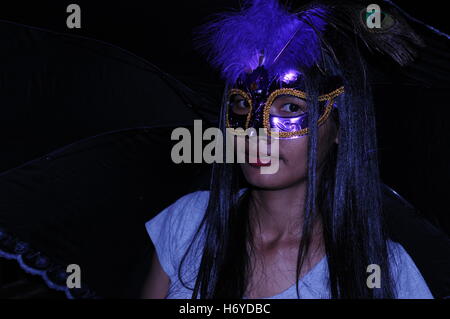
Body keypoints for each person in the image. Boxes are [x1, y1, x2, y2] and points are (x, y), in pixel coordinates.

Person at [142, 0, 435, 299]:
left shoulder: (384, 271)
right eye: (243, 104)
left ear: (342, 128)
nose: (256, 131)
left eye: (291, 108)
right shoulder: (189, 223)